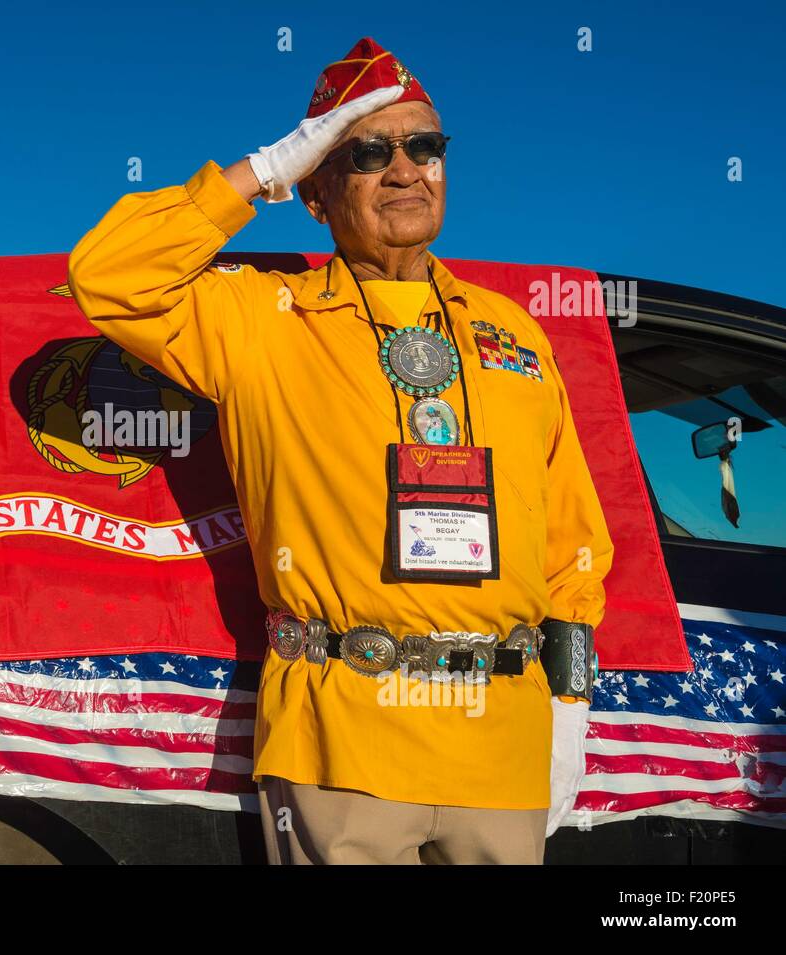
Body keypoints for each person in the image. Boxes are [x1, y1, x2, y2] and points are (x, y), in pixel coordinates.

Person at [68, 37, 610, 864]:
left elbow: (573, 536)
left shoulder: (514, 333)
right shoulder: (259, 319)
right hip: (339, 737)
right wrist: (271, 163)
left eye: (424, 146)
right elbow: (108, 274)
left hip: (502, 740)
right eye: (366, 151)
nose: (404, 170)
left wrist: (569, 706)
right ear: (317, 194)